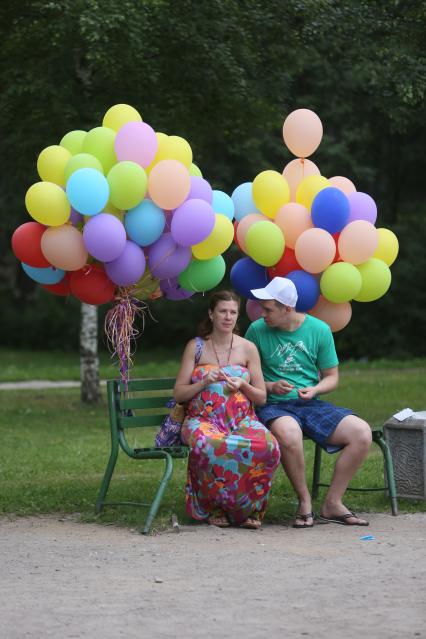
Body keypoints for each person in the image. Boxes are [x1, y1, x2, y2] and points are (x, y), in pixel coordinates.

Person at [245, 277, 372, 529]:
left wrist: (314, 389)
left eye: (268, 308)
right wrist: (270, 386)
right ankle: (304, 502)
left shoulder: (319, 330)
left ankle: (333, 503)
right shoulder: (257, 330)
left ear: (287, 309)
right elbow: (246, 375)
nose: (262, 313)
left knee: (362, 433)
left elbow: (332, 377)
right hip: (273, 405)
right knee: (290, 434)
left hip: (309, 403)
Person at [174, 290, 280, 529]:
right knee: (208, 444)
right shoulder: (196, 347)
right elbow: (179, 393)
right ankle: (215, 507)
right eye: (223, 311)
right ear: (211, 314)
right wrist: (203, 382)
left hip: (241, 420)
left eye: (233, 312)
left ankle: (250, 509)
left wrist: (243, 384)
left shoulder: (248, 348)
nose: (228, 317)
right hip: (202, 420)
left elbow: (261, 397)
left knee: (269, 446)